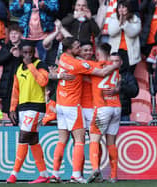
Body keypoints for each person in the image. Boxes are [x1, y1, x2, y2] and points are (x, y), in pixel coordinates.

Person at [50, 37, 119, 183]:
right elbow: (101, 72)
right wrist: (116, 65)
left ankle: (56, 173)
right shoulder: (80, 64)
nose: (83, 51)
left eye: (88, 49)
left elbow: (55, 69)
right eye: (80, 48)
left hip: (70, 104)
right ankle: (77, 174)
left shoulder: (64, 57)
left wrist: (56, 75)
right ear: (71, 49)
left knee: (87, 140)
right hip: (77, 106)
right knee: (80, 140)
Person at [6, 41, 50, 184]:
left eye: (30, 52)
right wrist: (12, 108)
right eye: (24, 53)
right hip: (23, 108)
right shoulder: (18, 68)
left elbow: (43, 81)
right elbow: (15, 90)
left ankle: (14, 174)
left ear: (34, 52)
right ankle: (44, 174)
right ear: (20, 52)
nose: (27, 55)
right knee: (32, 140)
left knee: (23, 136)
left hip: (36, 106)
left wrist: (31, 65)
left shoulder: (40, 65)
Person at [87, 44, 121, 184]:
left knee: (94, 138)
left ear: (100, 54)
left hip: (103, 108)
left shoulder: (98, 66)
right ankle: (113, 175)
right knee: (111, 142)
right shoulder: (116, 69)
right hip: (116, 108)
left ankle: (95, 169)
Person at [108, 0, 141, 74]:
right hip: (116, 51)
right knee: (116, 74)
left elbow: (132, 33)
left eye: (124, 7)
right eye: (119, 7)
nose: (121, 9)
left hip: (130, 52)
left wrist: (124, 23)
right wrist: (119, 23)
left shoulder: (135, 19)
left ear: (128, 8)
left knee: (128, 74)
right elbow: (111, 32)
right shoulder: (113, 17)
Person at [0, 23, 23, 116]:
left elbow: (32, 62)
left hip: (22, 83)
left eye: (16, 33)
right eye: (11, 34)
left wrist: (20, 56)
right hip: (7, 85)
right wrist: (9, 54)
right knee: (10, 113)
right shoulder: (6, 47)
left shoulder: (25, 47)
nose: (13, 36)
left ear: (21, 35)